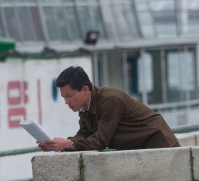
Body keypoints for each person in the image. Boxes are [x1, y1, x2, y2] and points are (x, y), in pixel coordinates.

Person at [38, 65, 180, 152]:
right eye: (63, 97)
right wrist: (57, 144)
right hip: (143, 149)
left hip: (160, 145)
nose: (66, 101)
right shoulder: (84, 107)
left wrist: (69, 144)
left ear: (85, 90)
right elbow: (84, 135)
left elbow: (100, 140)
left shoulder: (109, 100)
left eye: (69, 96)